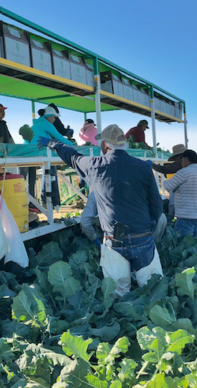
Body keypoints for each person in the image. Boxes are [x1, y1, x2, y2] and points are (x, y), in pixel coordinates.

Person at [37, 124, 164, 296]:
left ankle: (124, 318)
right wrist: (149, 226)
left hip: (114, 239)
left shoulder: (94, 166)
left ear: (105, 145)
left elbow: (73, 157)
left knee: (118, 292)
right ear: (124, 143)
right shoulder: (143, 167)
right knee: (153, 289)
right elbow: (156, 205)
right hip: (142, 236)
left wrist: (54, 144)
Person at [163, 150, 197, 236]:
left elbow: (168, 186)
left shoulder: (184, 172)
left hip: (187, 215)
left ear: (186, 159)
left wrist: (164, 181)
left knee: (183, 243)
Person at [32, 105, 73, 208]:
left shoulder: (36, 124)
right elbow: (60, 138)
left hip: (31, 151)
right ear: (49, 116)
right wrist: (74, 146)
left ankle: (41, 202)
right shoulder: (46, 124)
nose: (55, 119)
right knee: (49, 175)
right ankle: (49, 202)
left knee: (41, 177)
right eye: (54, 117)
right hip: (41, 152)